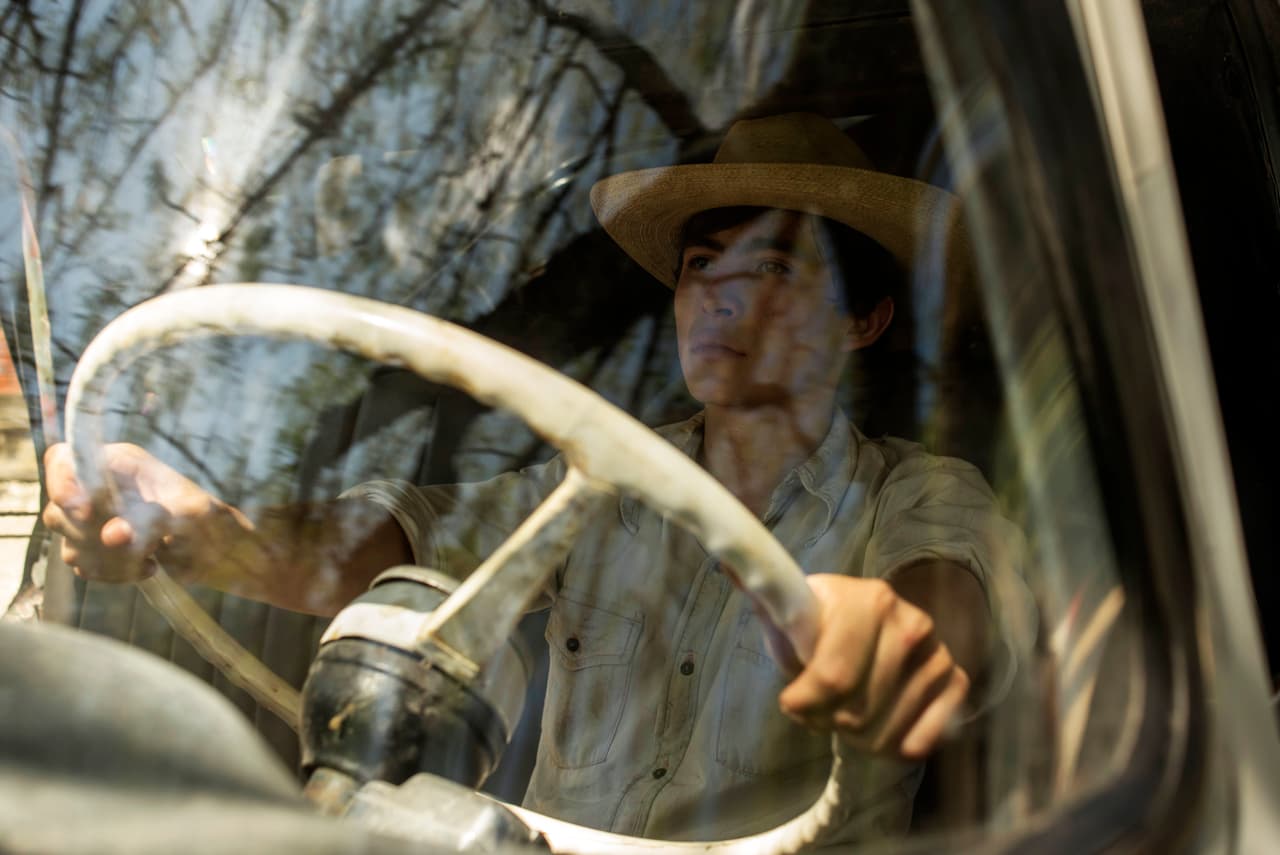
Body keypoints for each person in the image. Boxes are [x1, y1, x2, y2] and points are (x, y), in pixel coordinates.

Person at [42, 113, 1035, 844]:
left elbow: (937, 603)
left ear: (862, 322)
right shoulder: (589, 484)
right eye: (700, 264)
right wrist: (194, 529)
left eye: (773, 267)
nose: (719, 296)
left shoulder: (915, 493)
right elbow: (381, 546)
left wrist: (883, 641)